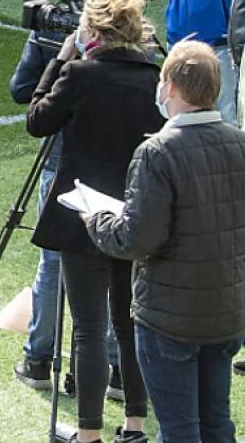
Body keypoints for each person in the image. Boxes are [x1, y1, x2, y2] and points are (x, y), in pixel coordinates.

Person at [84, 40, 245, 443]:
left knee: (178, 430)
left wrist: (96, 219)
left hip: (170, 318)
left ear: (170, 86)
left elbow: (138, 239)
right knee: (216, 424)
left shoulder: (157, 152)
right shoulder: (239, 143)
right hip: (226, 311)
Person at [27, 0, 164, 443]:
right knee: (130, 325)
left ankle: (87, 434)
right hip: (135, 212)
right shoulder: (155, 77)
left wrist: (58, 63)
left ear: (94, 29)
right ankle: (135, 426)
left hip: (83, 211)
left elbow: (38, 121)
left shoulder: (81, 74)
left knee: (89, 328)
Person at [10, 0, 123, 395]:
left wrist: (61, 56)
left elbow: (23, 94)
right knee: (117, 260)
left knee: (54, 259)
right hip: (119, 162)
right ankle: (115, 368)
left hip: (64, 155)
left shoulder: (50, 30)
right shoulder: (136, 39)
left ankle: (39, 360)